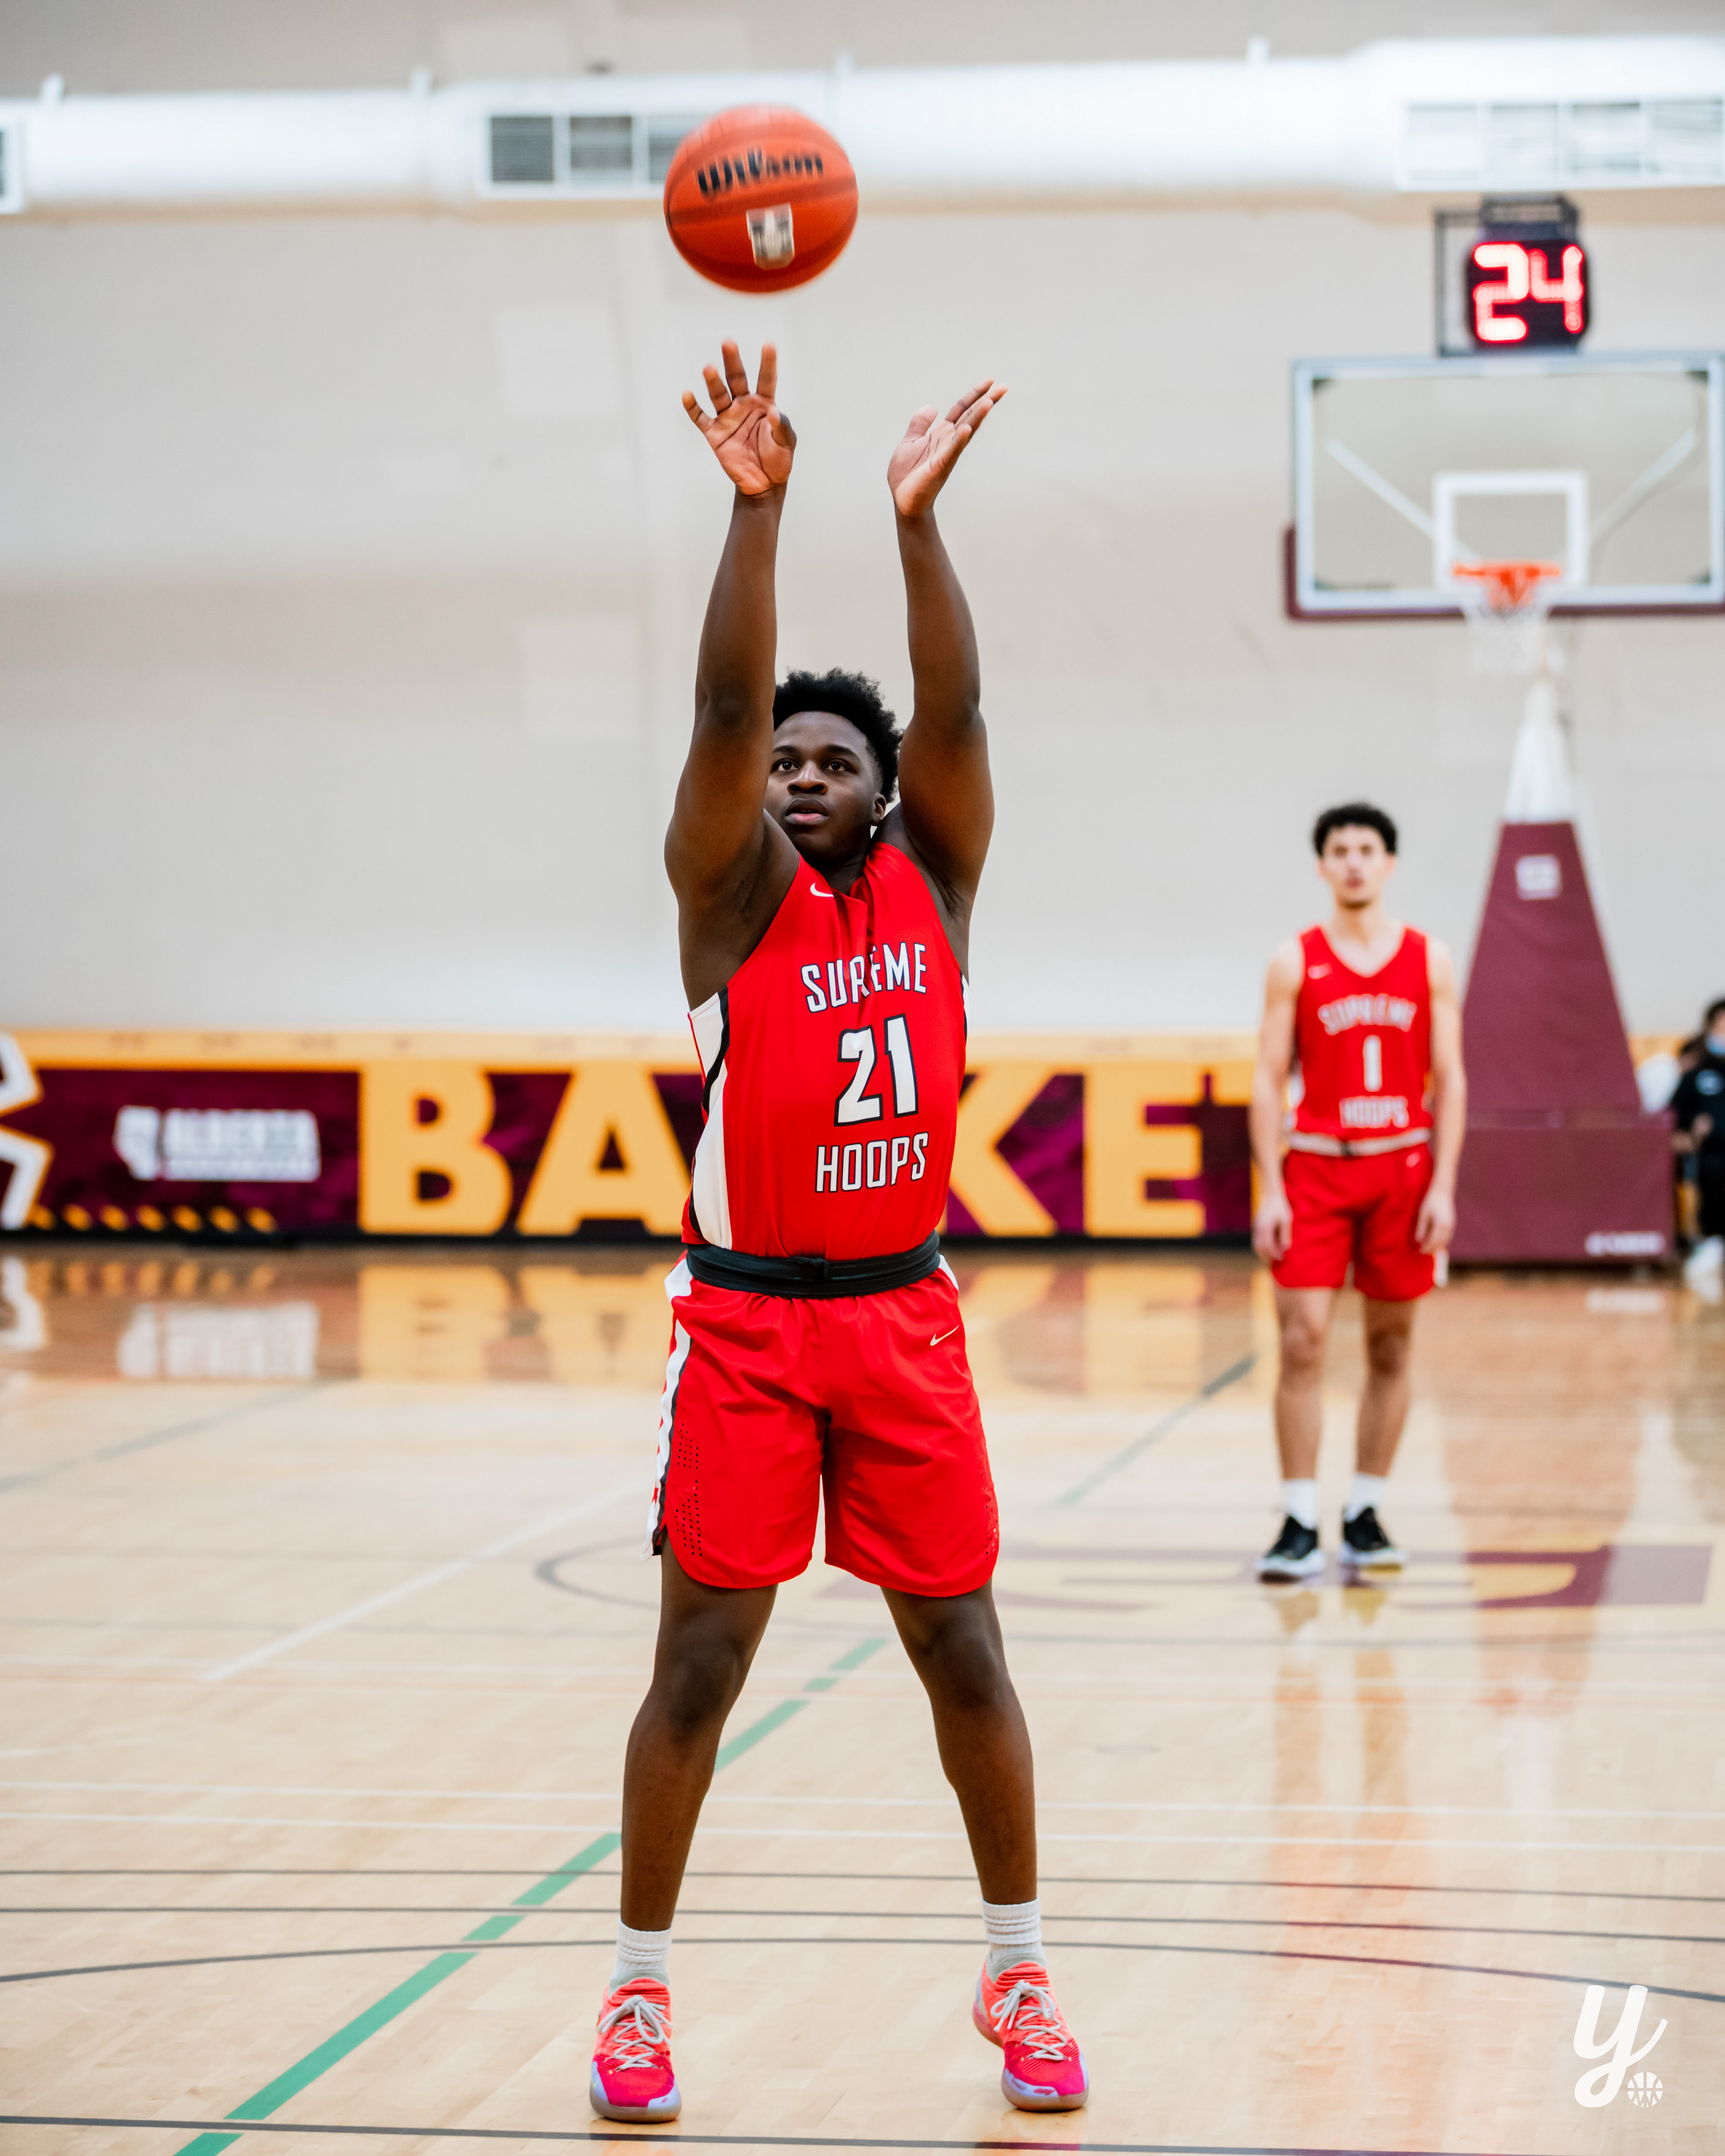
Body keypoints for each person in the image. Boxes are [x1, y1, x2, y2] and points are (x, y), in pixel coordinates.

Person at [587, 343, 1088, 2125]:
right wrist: (761, 510)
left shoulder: (937, 882)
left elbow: (960, 716)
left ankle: (1019, 1969)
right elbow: (725, 713)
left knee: (966, 1652)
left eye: (833, 760)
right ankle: (636, 1995)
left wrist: (913, 526)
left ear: (883, 791)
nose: (798, 773)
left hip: (901, 1319)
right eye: (784, 760)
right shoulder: (728, 899)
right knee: (698, 1668)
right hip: (745, 1325)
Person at [1247, 804, 1466, 1581]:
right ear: (1322, 866)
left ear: (1389, 863)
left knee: (1391, 1345)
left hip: (1401, 1170)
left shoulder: (1429, 959)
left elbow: (1452, 1080)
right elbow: (1268, 1080)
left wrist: (1444, 1185)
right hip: (1317, 1166)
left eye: (1366, 849)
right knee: (1302, 1340)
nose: (1353, 861)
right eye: (1339, 850)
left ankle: (1367, 1511)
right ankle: (1300, 1518)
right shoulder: (1294, 960)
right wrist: (1271, 1189)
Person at [1673, 996, 1725, 1284]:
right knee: (1713, 1182)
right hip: (1713, 1151)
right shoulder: (1698, 1069)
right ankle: (1712, 1242)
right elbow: (1677, 1110)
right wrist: (1690, 1128)